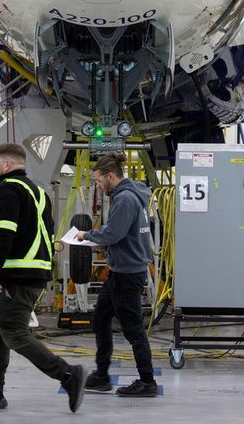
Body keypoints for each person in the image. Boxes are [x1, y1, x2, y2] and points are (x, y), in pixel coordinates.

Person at [0, 143, 86, 413]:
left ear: (8, 165)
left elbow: (6, 231)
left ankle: (67, 374)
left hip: (13, 275)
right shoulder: (38, 192)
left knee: (14, 334)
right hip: (29, 273)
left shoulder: (7, 190)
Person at [76, 152, 157, 398]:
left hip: (127, 274)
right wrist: (106, 244)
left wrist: (86, 236)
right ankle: (101, 375)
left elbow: (113, 233)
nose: (98, 186)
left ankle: (147, 381)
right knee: (100, 320)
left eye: (99, 181)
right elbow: (123, 234)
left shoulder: (125, 200)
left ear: (111, 176)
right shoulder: (133, 195)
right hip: (119, 271)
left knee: (133, 330)